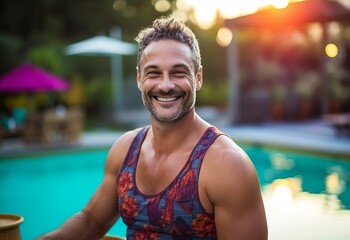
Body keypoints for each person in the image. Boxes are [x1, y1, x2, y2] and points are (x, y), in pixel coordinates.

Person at [39, 16, 267, 240]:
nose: (165, 85)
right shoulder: (126, 149)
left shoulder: (227, 165)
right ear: (139, 78)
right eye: (153, 73)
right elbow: (92, 220)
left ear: (198, 77)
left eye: (178, 72)